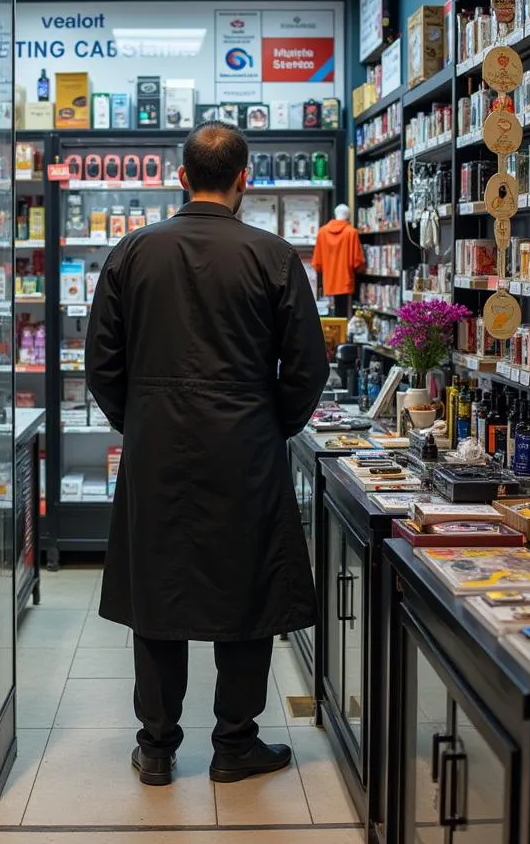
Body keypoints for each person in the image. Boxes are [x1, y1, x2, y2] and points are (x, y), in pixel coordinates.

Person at [85, 121, 330, 787]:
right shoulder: (274, 256)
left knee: (158, 590)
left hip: (157, 443)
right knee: (246, 588)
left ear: (181, 176)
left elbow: (101, 364)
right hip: (245, 442)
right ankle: (235, 744)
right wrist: (268, 422)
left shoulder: (132, 252)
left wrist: (137, 419)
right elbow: (308, 367)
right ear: (245, 179)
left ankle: (157, 748)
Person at [312, 203, 366, 318]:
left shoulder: (322, 232)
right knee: (344, 313)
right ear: (348, 216)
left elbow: (317, 262)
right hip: (345, 280)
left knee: (328, 313)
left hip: (328, 281)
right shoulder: (351, 232)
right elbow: (357, 261)